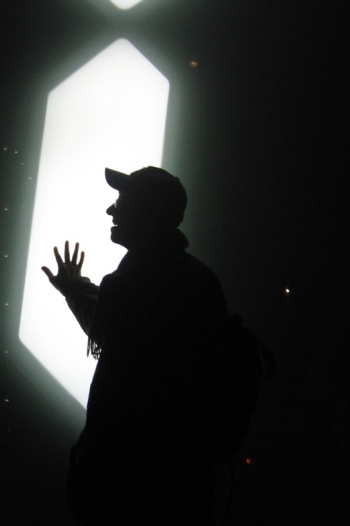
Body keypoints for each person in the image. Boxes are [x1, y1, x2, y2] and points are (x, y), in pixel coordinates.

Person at [42, 166, 227, 525]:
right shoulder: (200, 281)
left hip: (128, 490)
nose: (111, 210)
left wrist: (76, 290)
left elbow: (111, 334)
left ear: (149, 214)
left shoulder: (130, 284)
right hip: (184, 486)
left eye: (122, 201)